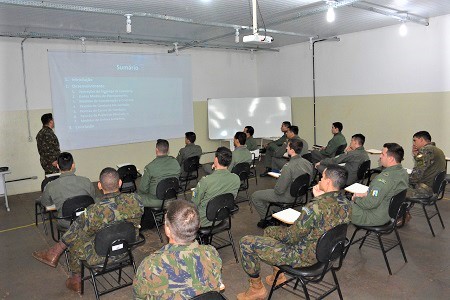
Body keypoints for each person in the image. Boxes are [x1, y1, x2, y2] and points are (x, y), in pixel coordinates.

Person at [237, 165, 351, 300]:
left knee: (246, 242)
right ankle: (278, 276)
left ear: (328, 182)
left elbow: (291, 237)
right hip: (327, 255)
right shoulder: (346, 203)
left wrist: (317, 200)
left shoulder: (315, 206)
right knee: (271, 232)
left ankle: (256, 288)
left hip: (304, 256)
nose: (320, 180)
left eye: (322, 177)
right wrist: (321, 197)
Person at [32, 167, 143, 293]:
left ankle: (75, 279)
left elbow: (79, 232)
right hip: (127, 248)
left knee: (76, 239)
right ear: (120, 183)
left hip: (101, 255)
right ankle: (56, 252)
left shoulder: (93, 211)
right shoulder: (136, 200)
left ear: (100, 186)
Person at [133, 200, 223, 299]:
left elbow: (139, 296)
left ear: (167, 229)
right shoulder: (211, 253)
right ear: (198, 225)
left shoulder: (150, 265)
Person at [251, 139, 314, 228]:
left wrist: (280, 179)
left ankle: (268, 219)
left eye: (287, 146)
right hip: (301, 196)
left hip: (288, 197)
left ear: (292, 150)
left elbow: (279, 191)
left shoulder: (288, 167)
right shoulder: (308, 163)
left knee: (256, 195)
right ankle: (275, 213)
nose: (286, 148)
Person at [351, 143, 408, 226]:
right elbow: (385, 192)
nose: (380, 156)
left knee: (340, 208)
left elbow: (369, 204)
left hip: (374, 216)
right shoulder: (403, 173)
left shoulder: (383, 179)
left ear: (391, 159)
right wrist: (366, 194)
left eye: (383, 154)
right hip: (388, 213)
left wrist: (356, 198)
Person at [38, 152, 96, 229]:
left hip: (66, 221)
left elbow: (45, 203)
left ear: (58, 166)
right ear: (73, 165)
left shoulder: (51, 186)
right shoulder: (86, 181)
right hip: (86, 218)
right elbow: (93, 200)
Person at [192, 147, 240, 227]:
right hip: (223, 216)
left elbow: (195, 202)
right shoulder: (236, 178)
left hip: (204, 220)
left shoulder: (206, 180)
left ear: (216, 160)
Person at [138, 139, 181, 208]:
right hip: (172, 198)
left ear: (156, 150)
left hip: (155, 201)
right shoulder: (175, 163)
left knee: (136, 196)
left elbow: (143, 189)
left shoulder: (150, 167)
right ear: (168, 150)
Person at [407, 131, 446, 199]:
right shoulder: (438, 150)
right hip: (433, 189)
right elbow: (426, 166)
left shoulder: (425, 149)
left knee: (394, 191)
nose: (414, 143)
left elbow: (418, 172)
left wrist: (407, 180)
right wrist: (417, 155)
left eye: (415, 140)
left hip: (424, 190)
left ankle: (402, 209)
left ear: (421, 139)